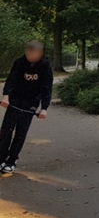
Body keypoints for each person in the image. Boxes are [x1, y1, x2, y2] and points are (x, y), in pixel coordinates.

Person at [0, 41, 53, 174]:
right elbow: (11, 80)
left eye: (34, 54)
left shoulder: (45, 66)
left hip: (31, 103)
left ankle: (11, 161)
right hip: (15, 100)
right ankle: (0, 158)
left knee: (20, 133)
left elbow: (47, 88)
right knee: (6, 130)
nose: (31, 57)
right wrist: (6, 96)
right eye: (29, 54)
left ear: (40, 54)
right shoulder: (19, 63)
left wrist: (44, 107)